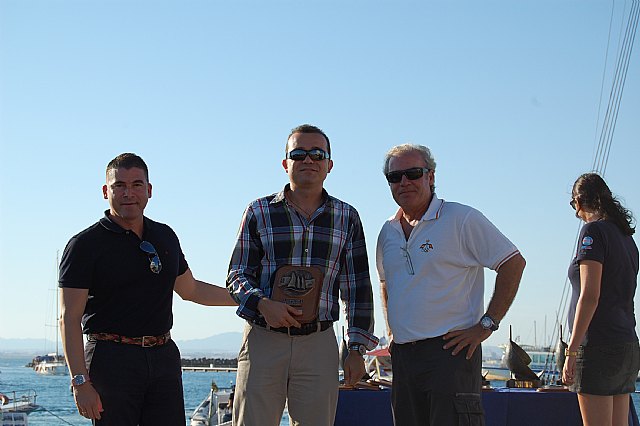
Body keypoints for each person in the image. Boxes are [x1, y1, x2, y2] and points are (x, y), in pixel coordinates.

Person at [58, 153, 236, 425]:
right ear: (106, 191)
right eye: (119, 185)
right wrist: (80, 383)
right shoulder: (84, 245)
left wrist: (248, 299)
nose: (128, 193)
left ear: (149, 190)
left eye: (136, 185)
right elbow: (69, 318)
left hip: (163, 357)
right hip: (111, 360)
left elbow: (191, 290)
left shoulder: (164, 236)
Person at [227, 124, 378, 426]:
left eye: (317, 154)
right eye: (298, 154)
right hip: (263, 339)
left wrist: (356, 349)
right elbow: (237, 274)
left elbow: (357, 288)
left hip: (318, 344)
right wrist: (262, 304)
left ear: (329, 165)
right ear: (286, 164)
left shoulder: (347, 217)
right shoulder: (259, 212)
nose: (308, 160)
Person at [376, 144, 526, 425]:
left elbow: (513, 263)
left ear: (430, 176)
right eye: (395, 177)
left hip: (451, 353)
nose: (404, 182)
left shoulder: (461, 219)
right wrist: (392, 332)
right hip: (404, 357)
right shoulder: (388, 231)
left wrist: (487, 324)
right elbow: (386, 283)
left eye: (413, 173)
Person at [562, 173, 639, 426]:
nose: (576, 213)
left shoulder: (593, 231)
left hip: (597, 345)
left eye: (573, 205)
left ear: (579, 201)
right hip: (626, 344)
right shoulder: (627, 238)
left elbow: (590, 296)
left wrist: (572, 351)